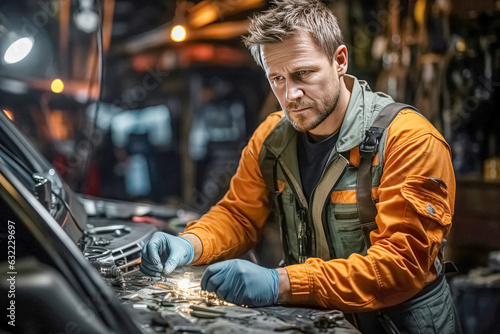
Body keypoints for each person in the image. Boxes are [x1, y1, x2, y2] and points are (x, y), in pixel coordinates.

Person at [141, 0, 461, 332]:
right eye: (276, 78)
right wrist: (190, 245)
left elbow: (400, 267)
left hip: (397, 324)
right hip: (317, 320)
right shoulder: (272, 138)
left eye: (302, 73)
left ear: (339, 60)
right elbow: (239, 216)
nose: (290, 93)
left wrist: (280, 283)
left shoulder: (409, 140)